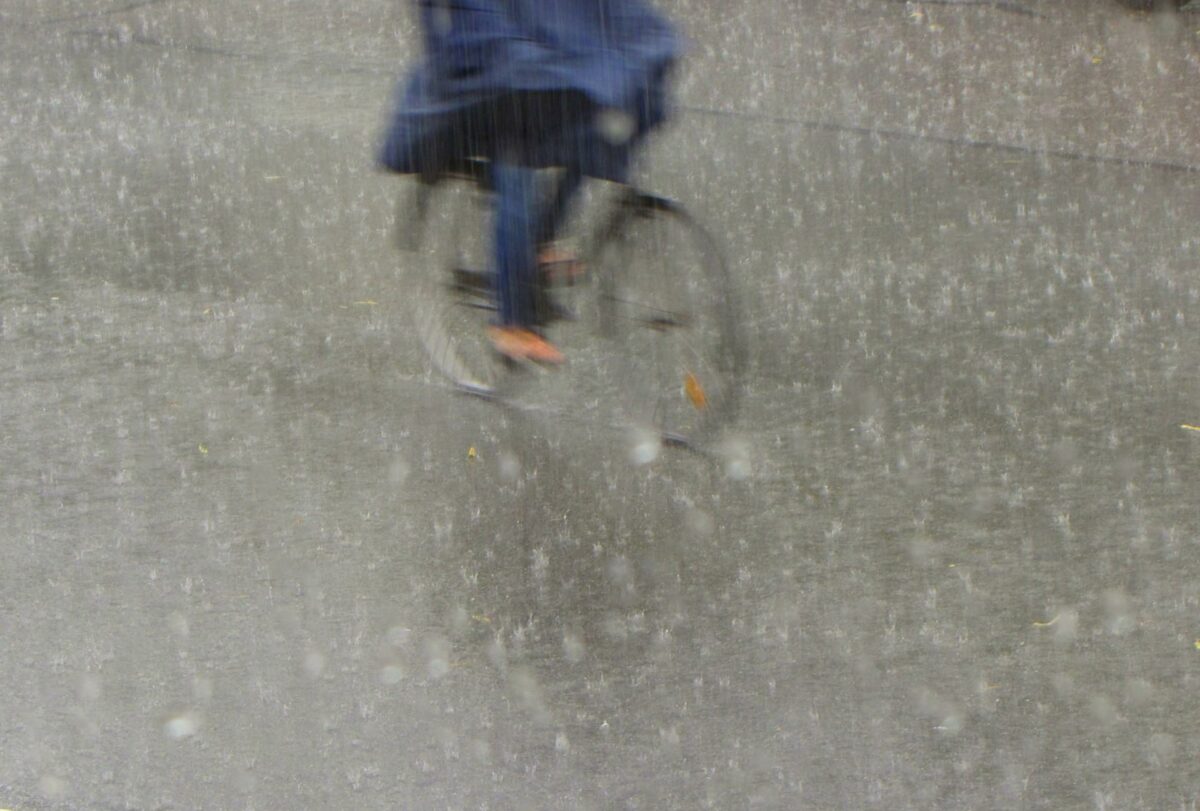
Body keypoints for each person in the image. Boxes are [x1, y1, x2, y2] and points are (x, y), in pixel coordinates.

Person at [379, 0, 680, 364]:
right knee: (517, 153)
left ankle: (537, 244)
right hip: (496, 56)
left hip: (541, 40)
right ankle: (512, 323)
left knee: (594, 123)